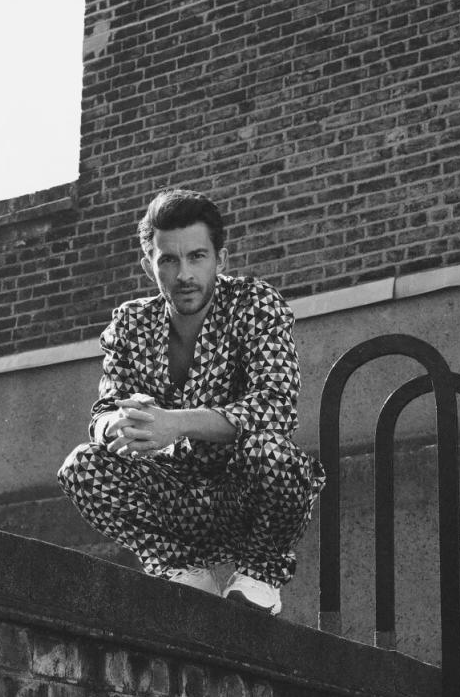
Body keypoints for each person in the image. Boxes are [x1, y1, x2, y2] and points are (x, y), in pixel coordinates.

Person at [57, 189, 325, 616]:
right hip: (173, 498)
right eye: (169, 260)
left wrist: (175, 422)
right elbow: (103, 411)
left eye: (197, 257)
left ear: (221, 259)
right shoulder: (131, 323)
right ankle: (183, 570)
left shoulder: (255, 304)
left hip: (244, 497)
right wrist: (122, 425)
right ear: (150, 266)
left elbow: (277, 406)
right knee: (82, 466)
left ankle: (258, 575)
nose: (184, 274)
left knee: (274, 453)